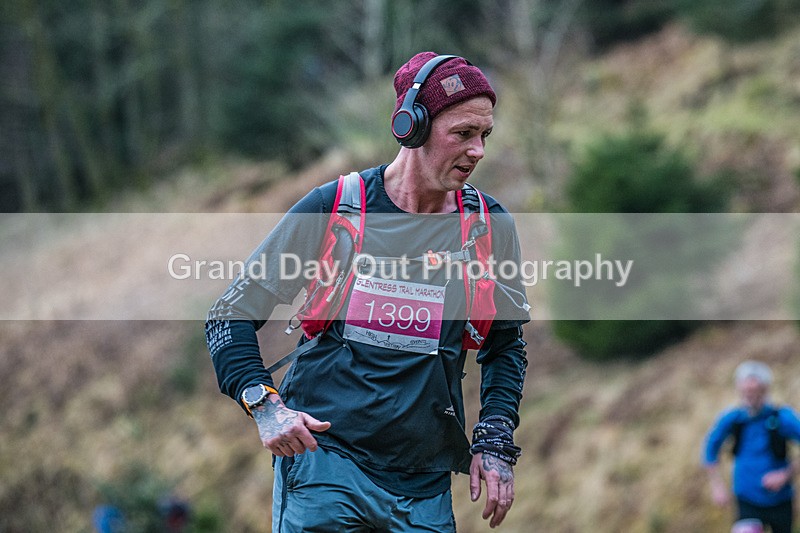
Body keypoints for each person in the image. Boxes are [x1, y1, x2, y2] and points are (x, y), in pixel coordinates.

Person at [205, 51, 530, 531]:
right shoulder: (335, 208)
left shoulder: (486, 226)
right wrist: (265, 406)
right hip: (326, 464)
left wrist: (495, 438)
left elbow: (506, 346)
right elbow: (228, 314)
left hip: (424, 482)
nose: (478, 150)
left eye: (484, 135)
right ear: (412, 128)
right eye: (463, 134)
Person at [703, 360, 800, 533]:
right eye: (745, 391)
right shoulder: (732, 419)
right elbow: (710, 450)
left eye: (754, 391)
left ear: (765, 390)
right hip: (746, 499)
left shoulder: (782, 417)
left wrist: (785, 475)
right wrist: (717, 486)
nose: (749, 396)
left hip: (781, 500)